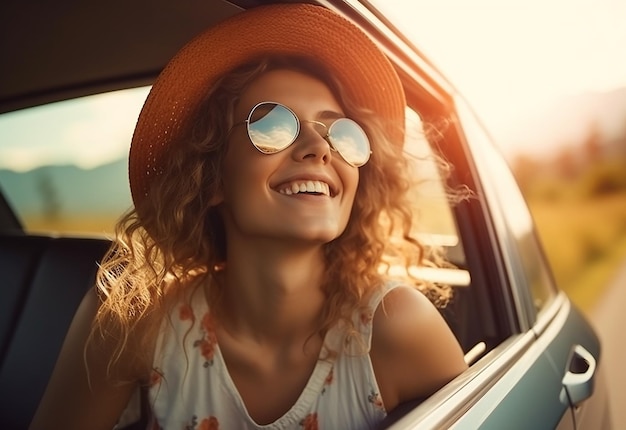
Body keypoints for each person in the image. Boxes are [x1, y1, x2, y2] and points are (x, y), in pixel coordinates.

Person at [31, 3, 467, 429]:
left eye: (342, 132)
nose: (320, 147)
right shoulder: (136, 320)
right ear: (212, 177)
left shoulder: (397, 328)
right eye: (273, 125)